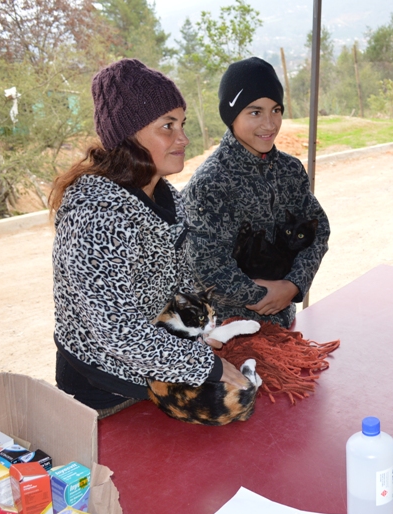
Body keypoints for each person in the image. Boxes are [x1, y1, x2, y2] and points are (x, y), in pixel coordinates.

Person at [50, 59, 248, 417]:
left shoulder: (167, 196)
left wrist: (202, 331)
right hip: (103, 390)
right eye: (167, 126)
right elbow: (118, 332)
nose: (183, 138)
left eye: (182, 124)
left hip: (160, 369)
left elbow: (177, 279)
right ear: (128, 136)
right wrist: (208, 367)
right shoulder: (97, 215)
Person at [181, 57, 330, 329]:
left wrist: (293, 285)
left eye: (276, 110)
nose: (270, 124)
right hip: (225, 335)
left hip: (284, 326)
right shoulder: (211, 183)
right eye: (255, 112)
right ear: (231, 115)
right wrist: (265, 295)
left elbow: (317, 230)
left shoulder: (290, 170)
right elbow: (207, 268)